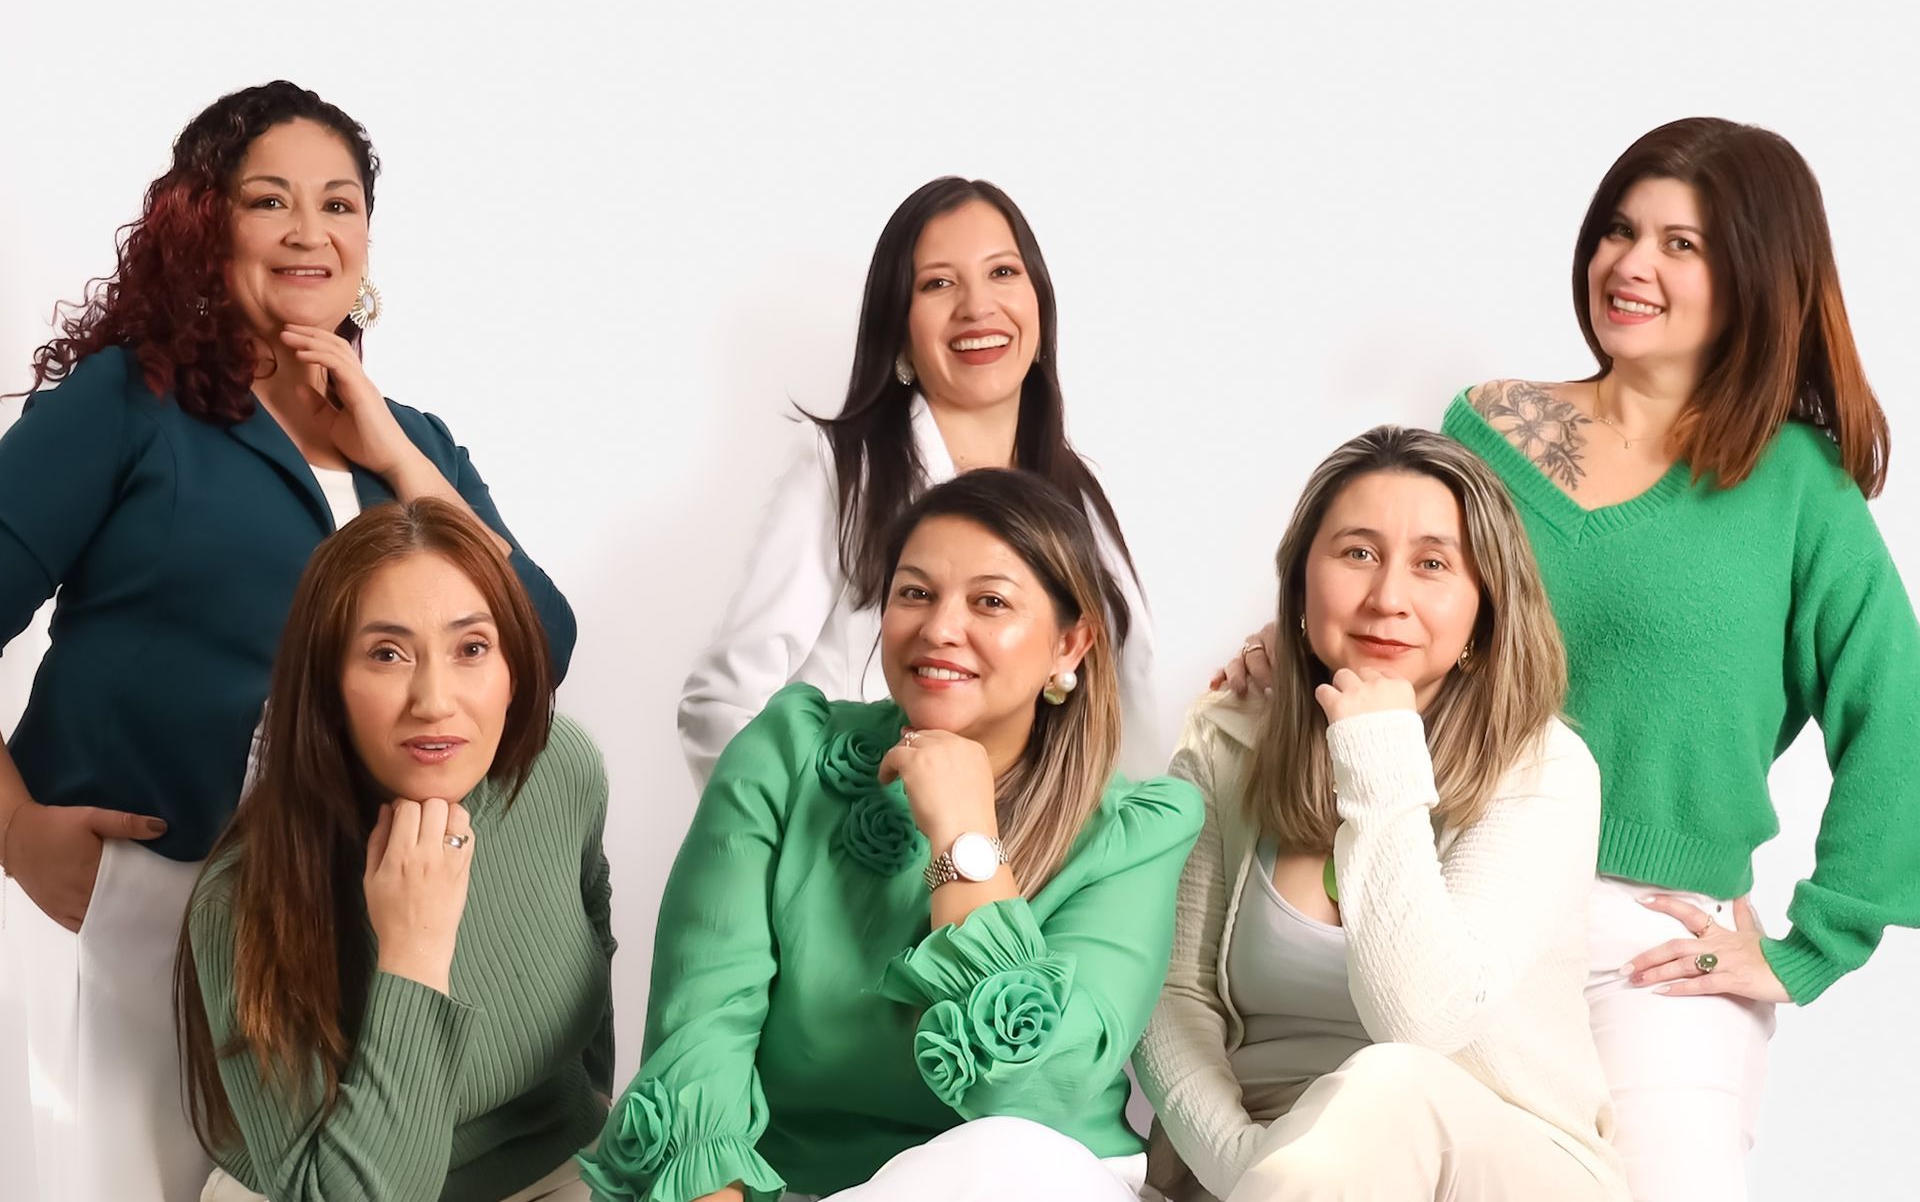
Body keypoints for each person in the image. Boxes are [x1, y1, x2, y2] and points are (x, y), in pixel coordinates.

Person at [1218, 118, 1920, 1201]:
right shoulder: (1492, 430)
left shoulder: (1795, 485)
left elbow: (1898, 705)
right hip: (1457, 891)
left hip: (1646, 945)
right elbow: (1411, 581)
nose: (1630, 265)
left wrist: (1813, 945)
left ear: (1756, 273)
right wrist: (1288, 646)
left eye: (1681, 245)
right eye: (1617, 231)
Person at [0, 81, 574, 1202]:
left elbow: (538, 645)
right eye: (271, 201)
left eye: (340, 203)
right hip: (154, 913)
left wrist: (397, 460)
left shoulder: (415, 439)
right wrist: (14, 824)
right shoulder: (128, 402)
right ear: (204, 225)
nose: (311, 231)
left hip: (350, 935)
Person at [584, 469, 1201, 1201]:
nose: (939, 627)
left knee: (1005, 1156)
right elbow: (701, 1030)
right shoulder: (787, 756)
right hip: (787, 1188)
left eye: (990, 601)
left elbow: (1033, 1092)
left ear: (1069, 645)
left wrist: (962, 834)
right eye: (914, 592)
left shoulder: (1136, 832)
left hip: (1032, 1180)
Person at [1141, 426, 1625, 1201]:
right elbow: (1173, 998)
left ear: (1484, 609)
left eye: (1432, 564)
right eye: (1357, 552)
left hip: (1495, 1162)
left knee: (1393, 1080)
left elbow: (1422, 1020)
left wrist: (1378, 751)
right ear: (1301, 580)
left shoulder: (1543, 772)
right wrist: (1247, 1166)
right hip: (1261, 1164)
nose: (1387, 597)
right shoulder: (1229, 739)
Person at [176, 498, 611, 1202]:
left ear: (514, 668)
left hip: (559, 1166)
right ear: (328, 686)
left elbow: (594, 953)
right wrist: (414, 949)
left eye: (472, 648)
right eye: (387, 653)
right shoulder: (243, 896)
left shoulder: (564, 769)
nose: (434, 700)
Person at [677, 177, 1159, 788]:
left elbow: (1128, 715)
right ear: (898, 325)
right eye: (938, 283)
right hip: (872, 849)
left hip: (1045, 863)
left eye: (1003, 273)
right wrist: (813, 844)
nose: (977, 307)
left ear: (1041, 301)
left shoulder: (1079, 493)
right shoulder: (844, 470)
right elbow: (720, 703)